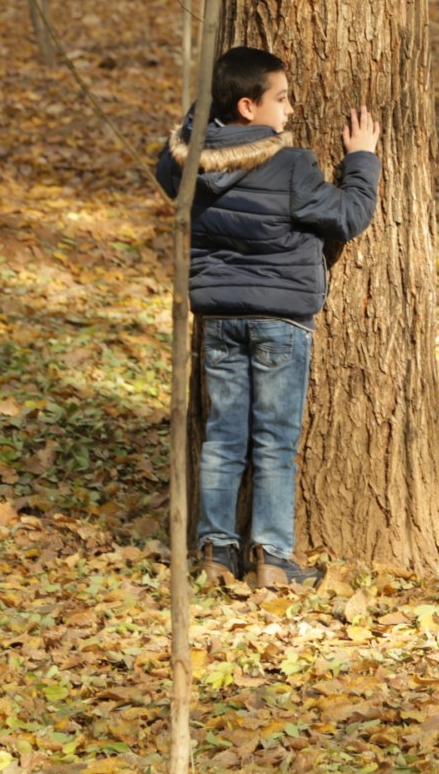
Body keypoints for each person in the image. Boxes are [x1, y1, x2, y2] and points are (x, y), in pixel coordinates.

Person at [156, 46, 382, 589]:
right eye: (281, 99)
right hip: (280, 321)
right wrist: (362, 159)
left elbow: (171, 154)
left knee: (223, 439)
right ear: (247, 107)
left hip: (219, 319)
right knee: (274, 444)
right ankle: (273, 559)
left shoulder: (187, 164)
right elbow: (350, 216)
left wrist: (207, 107)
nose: (291, 109)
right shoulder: (291, 165)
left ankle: (215, 553)